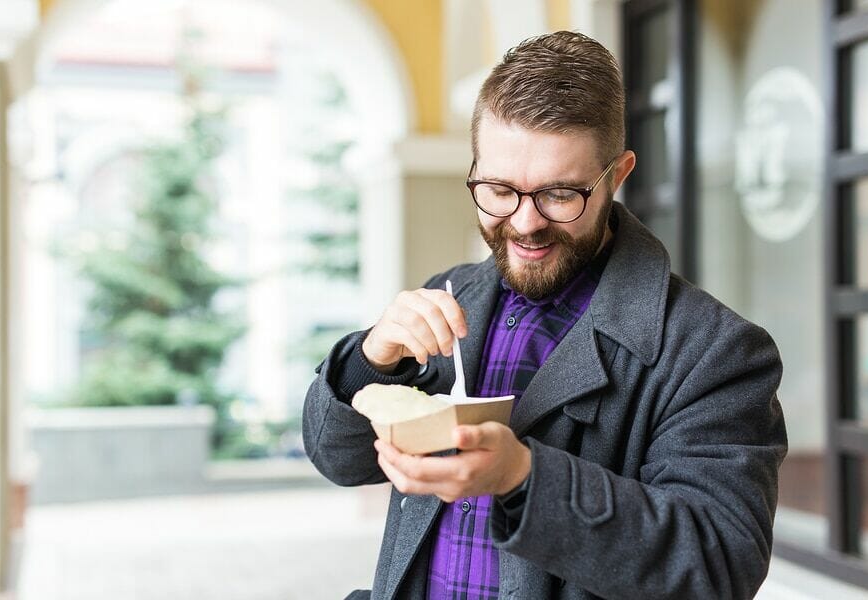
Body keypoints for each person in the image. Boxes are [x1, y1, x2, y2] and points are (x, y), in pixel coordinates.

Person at [303, 31, 787, 600]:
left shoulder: (716, 352)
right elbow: (340, 460)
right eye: (500, 188)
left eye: (559, 194)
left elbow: (717, 566)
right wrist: (370, 361)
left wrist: (521, 478)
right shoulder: (448, 294)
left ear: (618, 174)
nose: (525, 222)